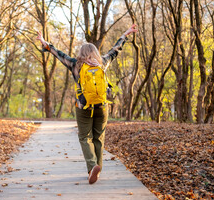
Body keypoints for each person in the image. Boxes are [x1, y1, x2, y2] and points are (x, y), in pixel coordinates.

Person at [36, 24, 138, 184]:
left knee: (85, 137)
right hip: (102, 106)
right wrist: (125, 33)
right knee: (99, 137)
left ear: (81, 53)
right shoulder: (102, 62)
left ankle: (92, 167)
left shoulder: (75, 64)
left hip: (83, 106)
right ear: (95, 53)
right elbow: (115, 50)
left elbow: (58, 54)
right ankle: (97, 168)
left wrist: (44, 42)